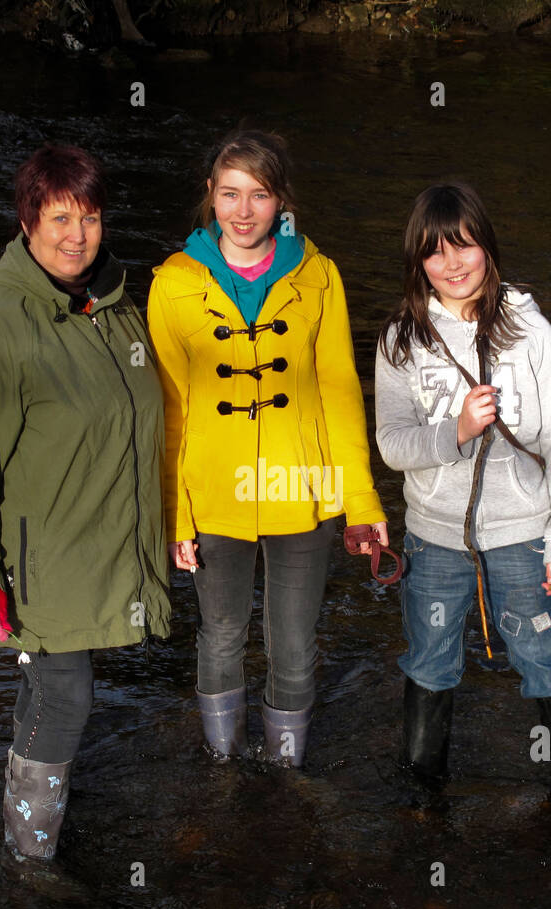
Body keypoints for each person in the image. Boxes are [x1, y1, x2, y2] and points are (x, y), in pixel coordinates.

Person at [0, 144, 171, 864]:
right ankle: (30, 860)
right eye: (59, 216)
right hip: (38, 560)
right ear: (27, 220)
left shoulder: (118, 309)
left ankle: (32, 823)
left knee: (49, 694)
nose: (76, 234)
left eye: (90, 217)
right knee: (66, 696)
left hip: (101, 546)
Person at [147, 129, 387, 767]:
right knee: (220, 636)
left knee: (293, 642)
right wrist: (175, 516)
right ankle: (222, 771)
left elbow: (340, 392)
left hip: (301, 493)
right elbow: (169, 411)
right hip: (214, 494)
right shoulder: (172, 282)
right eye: (230, 194)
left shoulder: (319, 275)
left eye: (259, 194)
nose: (244, 210)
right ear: (210, 196)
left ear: (281, 199)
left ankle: (286, 771)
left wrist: (361, 503)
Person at [374, 182, 551, 793]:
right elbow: (393, 446)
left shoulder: (531, 332)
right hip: (433, 537)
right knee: (429, 665)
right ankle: (422, 805)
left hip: (523, 536)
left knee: (545, 663)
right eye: (435, 253)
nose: (453, 265)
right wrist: (457, 430)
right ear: (418, 262)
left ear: (487, 248)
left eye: (464, 247)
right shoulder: (401, 339)